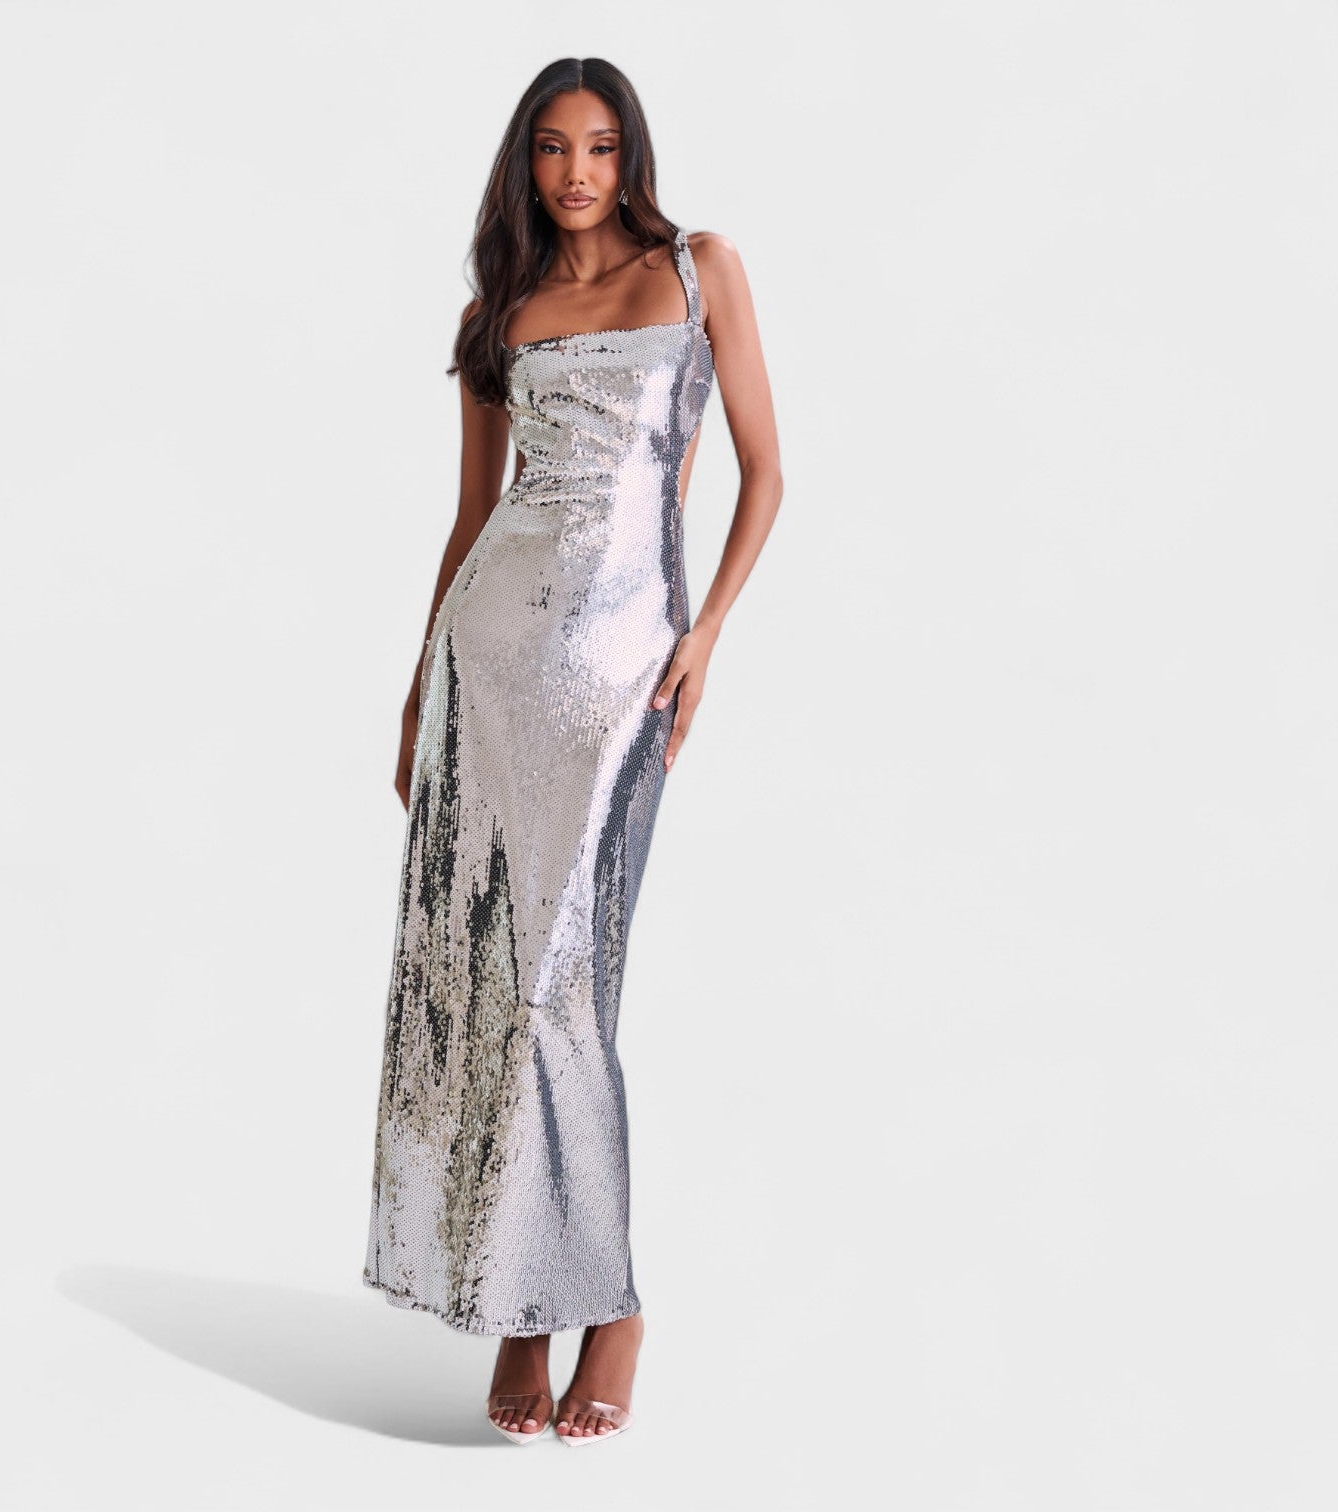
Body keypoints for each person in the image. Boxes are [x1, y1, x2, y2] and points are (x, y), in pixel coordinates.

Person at [362, 55, 782, 1446]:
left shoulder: (700, 271)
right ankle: (523, 1307)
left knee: (566, 988)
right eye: (552, 147)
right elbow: (471, 516)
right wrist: (418, 695)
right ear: (525, 164)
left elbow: (768, 473)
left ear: (631, 154)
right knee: (494, 988)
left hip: (623, 675)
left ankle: (610, 1304)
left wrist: (704, 635)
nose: (577, 172)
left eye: (599, 146)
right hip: (490, 666)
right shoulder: (498, 313)